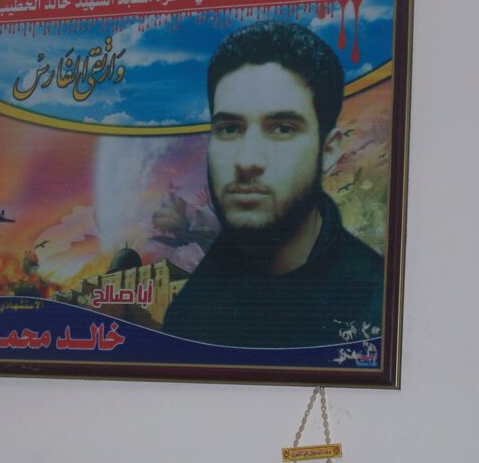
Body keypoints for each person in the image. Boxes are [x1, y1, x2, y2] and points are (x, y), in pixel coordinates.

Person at [162, 21, 384, 348]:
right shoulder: (189, 311)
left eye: (282, 129)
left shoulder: (377, 311)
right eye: (229, 129)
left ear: (328, 151)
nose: (247, 160)